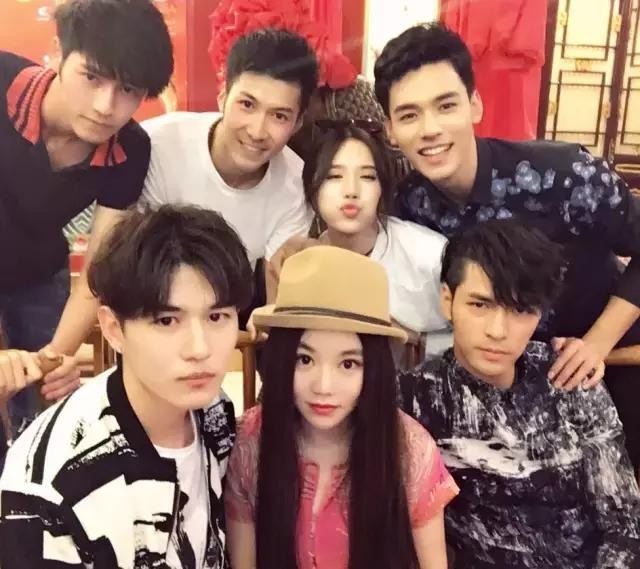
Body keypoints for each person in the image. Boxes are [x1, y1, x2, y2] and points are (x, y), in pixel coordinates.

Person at [373, 21, 640, 465]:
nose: (430, 129)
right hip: (502, 381)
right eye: (409, 115)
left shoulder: (564, 175)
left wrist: (597, 343)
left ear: (475, 105)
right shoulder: (409, 204)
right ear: (390, 129)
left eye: (446, 105)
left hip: (607, 360)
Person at [0, 204, 253, 568]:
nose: (199, 349)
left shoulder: (215, 412)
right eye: (167, 321)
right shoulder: (51, 480)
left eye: (217, 317)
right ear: (114, 329)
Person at [398, 219, 640, 568]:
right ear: (448, 301)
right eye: (480, 305)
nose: (498, 331)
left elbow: (624, 523)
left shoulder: (568, 378)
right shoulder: (416, 398)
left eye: (520, 310)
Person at [0, 0, 173, 456]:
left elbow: (98, 267)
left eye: (128, 89)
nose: (105, 106)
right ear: (58, 51)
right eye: (92, 77)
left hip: (39, 272)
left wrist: (55, 358)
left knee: (48, 399)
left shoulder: (130, 149)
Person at [225, 246, 459, 569]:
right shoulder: (252, 441)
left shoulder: (410, 450)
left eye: (348, 364)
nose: (324, 386)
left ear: (373, 368)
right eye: (304, 359)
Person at [140, 28, 318, 302]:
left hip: (227, 307)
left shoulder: (296, 185)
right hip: (149, 298)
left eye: (279, 116)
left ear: (297, 124)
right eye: (247, 104)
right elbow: (129, 261)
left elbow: (277, 298)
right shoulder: (157, 145)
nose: (257, 131)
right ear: (223, 96)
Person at [301, 121, 450, 353]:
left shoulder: (429, 254)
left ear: (382, 187)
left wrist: (417, 339)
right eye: (334, 176)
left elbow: (479, 337)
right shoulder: (302, 266)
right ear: (312, 187)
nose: (351, 190)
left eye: (368, 177)